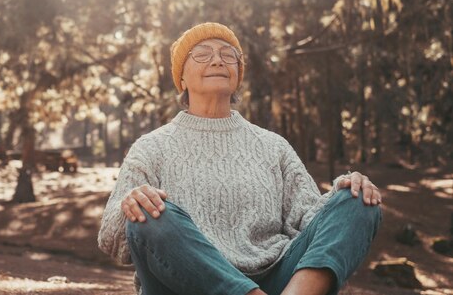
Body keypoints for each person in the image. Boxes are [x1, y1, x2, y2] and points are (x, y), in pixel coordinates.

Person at [98, 22, 382, 295]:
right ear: (181, 78)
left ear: (238, 74)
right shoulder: (151, 148)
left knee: (359, 198)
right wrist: (131, 205)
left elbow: (309, 220)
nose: (217, 61)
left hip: (277, 280)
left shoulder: (273, 146)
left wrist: (341, 195)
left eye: (228, 55)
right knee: (149, 209)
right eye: (202, 54)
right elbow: (112, 239)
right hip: (182, 285)